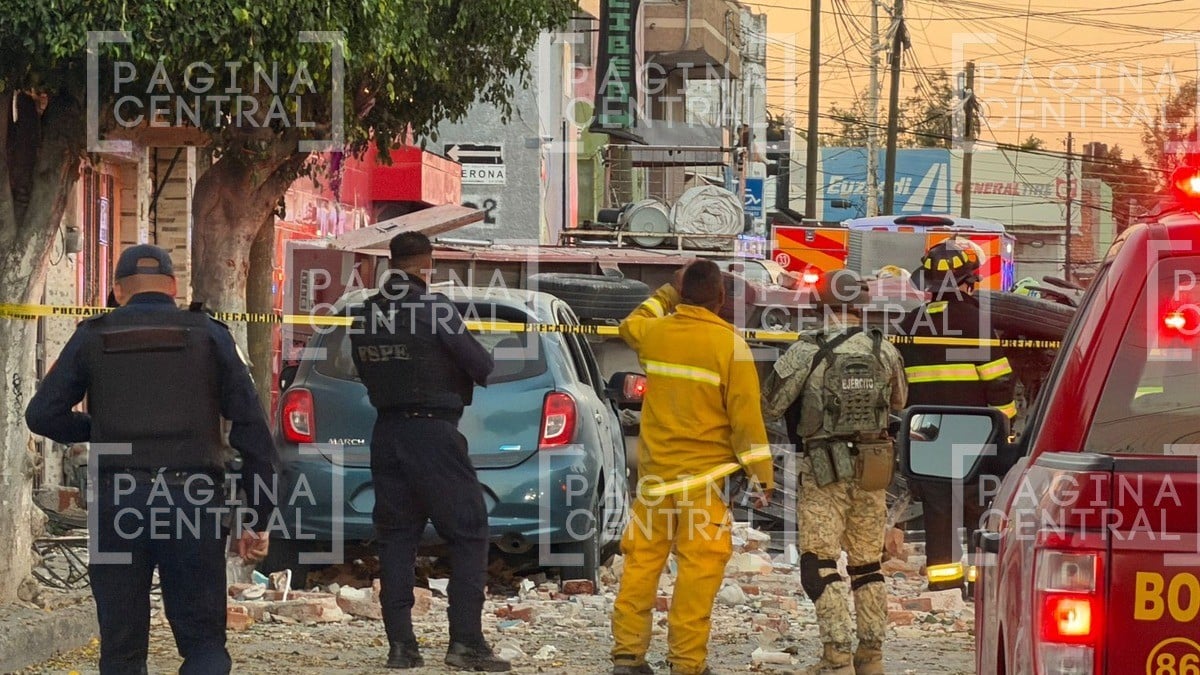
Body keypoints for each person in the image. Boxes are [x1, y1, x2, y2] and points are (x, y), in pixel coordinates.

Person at [25, 244, 277, 675]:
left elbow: (41, 414)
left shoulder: (92, 334)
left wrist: (97, 428)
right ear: (175, 288)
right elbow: (254, 432)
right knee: (203, 645)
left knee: (121, 648)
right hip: (193, 499)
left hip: (117, 500)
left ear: (119, 291)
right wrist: (259, 515)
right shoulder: (210, 333)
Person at [346, 232, 506, 672]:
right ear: (427, 265)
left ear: (392, 264)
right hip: (434, 433)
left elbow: (365, 371)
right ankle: (466, 643)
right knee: (469, 532)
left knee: (396, 540)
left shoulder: (365, 315)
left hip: (387, 434)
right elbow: (482, 366)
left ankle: (401, 647)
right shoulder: (434, 309)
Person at [611, 259, 774, 675]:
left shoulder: (657, 334)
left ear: (682, 295)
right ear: (721, 298)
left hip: (655, 481)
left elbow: (631, 324)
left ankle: (628, 656)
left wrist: (666, 292)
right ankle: (686, 663)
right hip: (705, 482)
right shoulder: (731, 347)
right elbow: (746, 422)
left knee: (640, 568)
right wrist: (761, 475)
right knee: (697, 576)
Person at [762, 270, 908, 675]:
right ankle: (872, 657)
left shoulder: (806, 349)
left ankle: (836, 657)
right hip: (872, 469)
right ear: (862, 305)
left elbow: (770, 404)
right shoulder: (885, 350)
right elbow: (899, 400)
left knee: (820, 564)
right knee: (867, 566)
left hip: (823, 470)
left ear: (818, 304)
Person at [898, 238, 1017, 593]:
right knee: (982, 510)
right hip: (978, 437)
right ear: (967, 282)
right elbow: (1001, 383)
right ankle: (982, 586)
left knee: (939, 512)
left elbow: (898, 388)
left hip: (927, 438)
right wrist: (1004, 430)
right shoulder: (977, 321)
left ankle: (945, 585)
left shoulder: (909, 325)